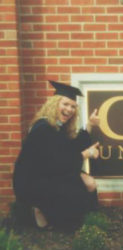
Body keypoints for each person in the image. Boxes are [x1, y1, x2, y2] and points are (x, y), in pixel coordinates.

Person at [13, 80, 100, 230]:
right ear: (54, 104)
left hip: (49, 175)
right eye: (65, 104)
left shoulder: (57, 127)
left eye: (73, 106)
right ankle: (39, 208)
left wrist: (90, 125)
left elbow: (71, 147)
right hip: (32, 182)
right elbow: (59, 162)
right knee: (77, 192)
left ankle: (89, 220)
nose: (69, 109)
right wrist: (87, 153)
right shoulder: (43, 128)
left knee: (89, 182)